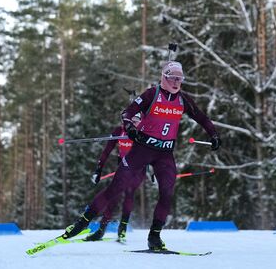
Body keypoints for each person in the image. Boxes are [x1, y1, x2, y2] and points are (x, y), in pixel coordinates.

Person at [59, 60, 221, 250]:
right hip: (142, 150)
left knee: (167, 193)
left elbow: (201, 117)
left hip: (165, 154)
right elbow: (128, 112)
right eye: (173, 78)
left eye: (180, 79)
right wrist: (129, 127)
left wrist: (214, 134)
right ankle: (82, 223)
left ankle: (154, 237)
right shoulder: (152, 94)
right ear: (164, 77)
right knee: (115, 188)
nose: (177, 82)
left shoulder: (183, 99)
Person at [85, 114, 143, 242]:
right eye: (130, 121)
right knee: (113, 196)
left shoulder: (144, 131)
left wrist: (153, 171)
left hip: (139, 168)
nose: (133, 124)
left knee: (129, 193)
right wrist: (98, 170)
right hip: (123, 166)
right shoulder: (119, 131)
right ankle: (101, 231)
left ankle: (122, 230)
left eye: (137, 121)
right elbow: (106, 151)